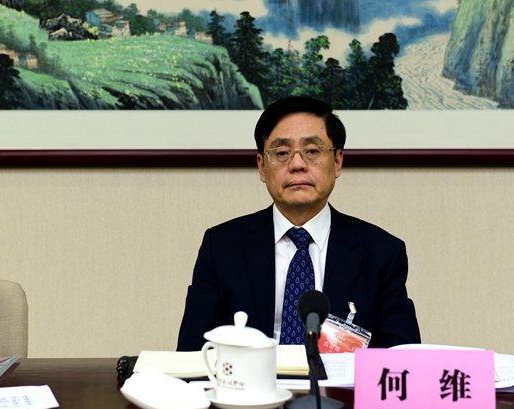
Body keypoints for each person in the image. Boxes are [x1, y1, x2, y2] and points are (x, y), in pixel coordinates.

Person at [177, 96, 420, 351]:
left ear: (337, 161)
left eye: (312, 151)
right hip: (249, 378)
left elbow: (402, 360)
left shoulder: (381, 253)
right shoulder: (222, 247)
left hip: (338, 379)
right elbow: (191, 354)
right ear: (262, 166)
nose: (297, 164)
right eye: (282, 153)